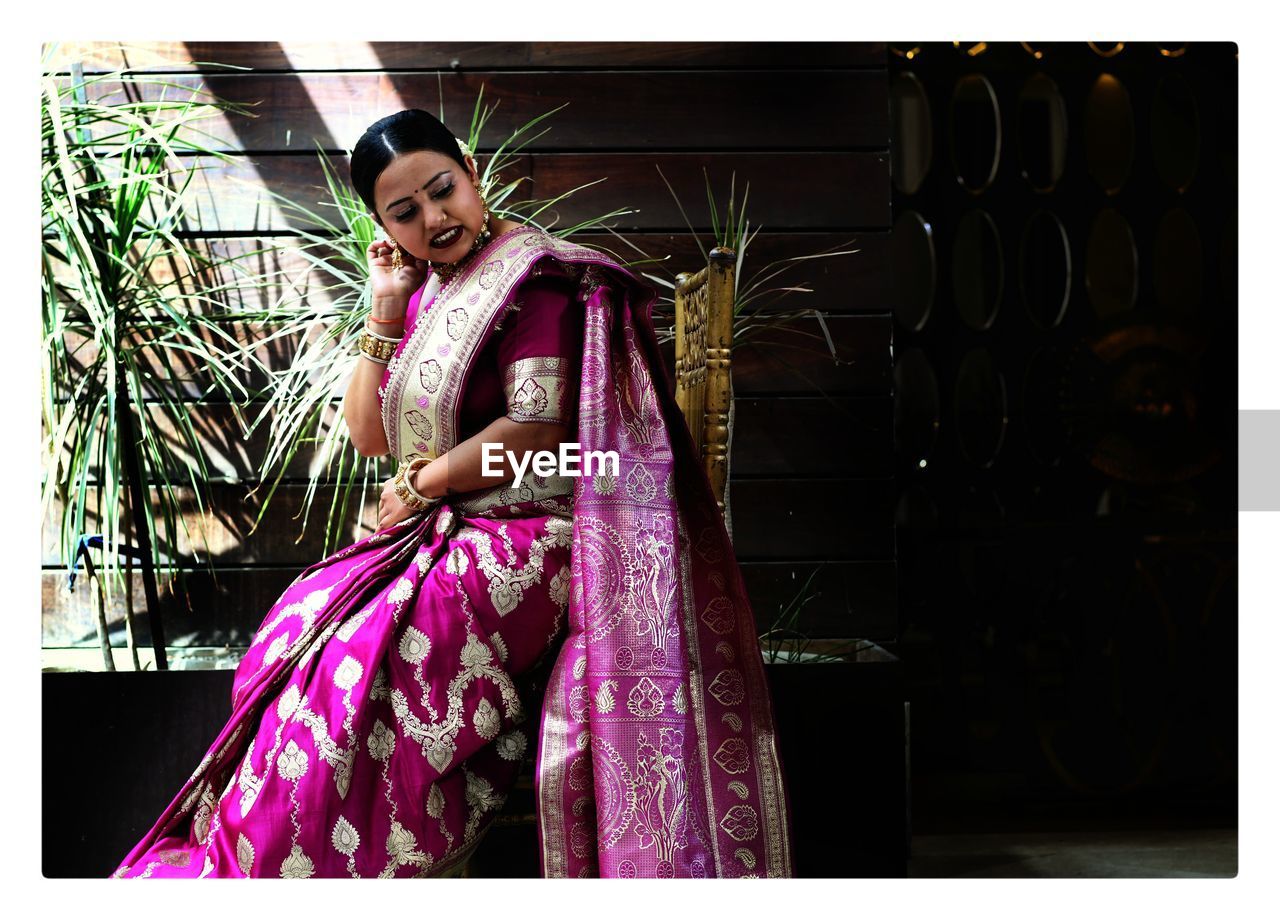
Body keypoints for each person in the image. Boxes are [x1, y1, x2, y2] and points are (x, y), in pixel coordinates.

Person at [110, 109, 795, 879]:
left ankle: (327, 861)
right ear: (383, 226)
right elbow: (370, 434)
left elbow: (534, 430)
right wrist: (385, 302)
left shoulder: (533, 283)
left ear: (470, 170)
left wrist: (421, 482)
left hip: (541, 534)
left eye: (443, 191)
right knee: (297, 634)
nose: (434, 219)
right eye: (406, 212)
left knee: (364, 662)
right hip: (458, 529)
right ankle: (269, 857)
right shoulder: (437, 290)